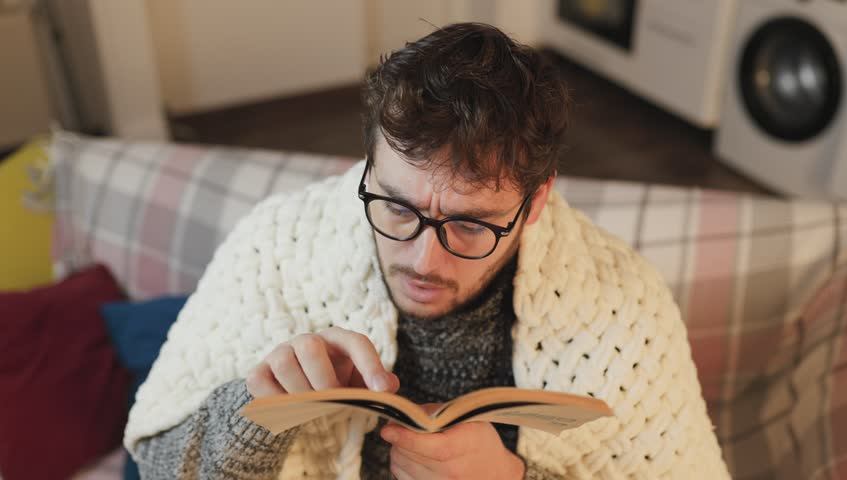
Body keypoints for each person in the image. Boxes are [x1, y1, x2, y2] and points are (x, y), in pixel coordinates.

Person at [124, 22, 730, 479]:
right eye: (397, 208)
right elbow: (156, 466)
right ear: (368, 164)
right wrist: (256, 412)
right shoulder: (276, 246)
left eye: (470, 226)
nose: (422, 262)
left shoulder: (624, 302)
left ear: (537, 201)